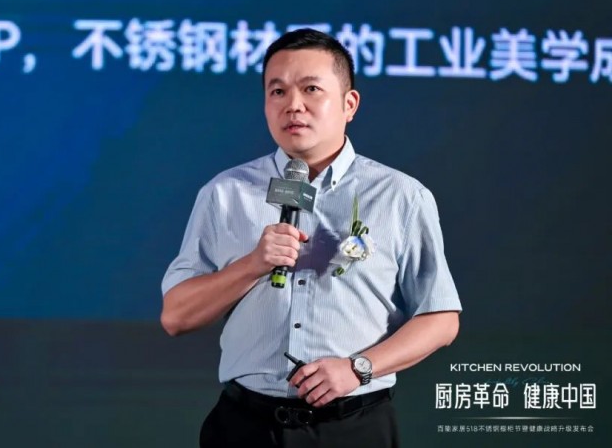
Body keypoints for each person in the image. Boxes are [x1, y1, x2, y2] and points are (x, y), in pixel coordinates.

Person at [160, 28, 462, 448]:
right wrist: (252, 266)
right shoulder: (225, 193)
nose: (293, 105)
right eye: (277, 91)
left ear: (349, 104)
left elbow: (441, 319)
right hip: (246, 427)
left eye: (311, 89)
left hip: (354, 426)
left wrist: (358, 368)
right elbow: (176, 316)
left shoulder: (400, 196)